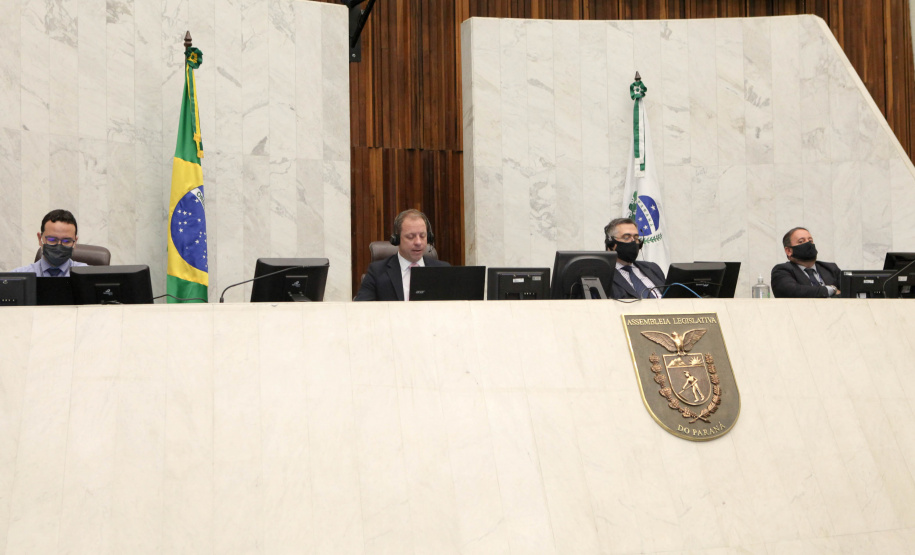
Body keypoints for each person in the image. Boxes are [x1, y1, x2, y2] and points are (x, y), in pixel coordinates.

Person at [354, 209, 450, 301]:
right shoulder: (377, 272)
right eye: (410, 237)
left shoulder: (443, 270)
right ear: (397, 239)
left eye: (422, 236)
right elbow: (361, 308)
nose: (418, 242)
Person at [11, 209, 87, 277]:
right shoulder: (18, 277)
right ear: (40, 239)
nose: (59, 246)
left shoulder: (87, 275)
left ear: (75, 242)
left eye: (66, 241)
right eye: (52, 239)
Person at [771, 227, 841, 298]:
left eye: (810, 241)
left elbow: (847, 293)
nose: (808, 244)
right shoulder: (782, 270)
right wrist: (831, 289)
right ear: (789, 251)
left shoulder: (831, 268)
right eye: (801, 241)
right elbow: (792, 291)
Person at [604, 217, 665, 299]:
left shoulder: (653, 268)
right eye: (626, 237)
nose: (633, 241)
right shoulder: (603, 275)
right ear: (611, 243)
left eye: (636, 238)